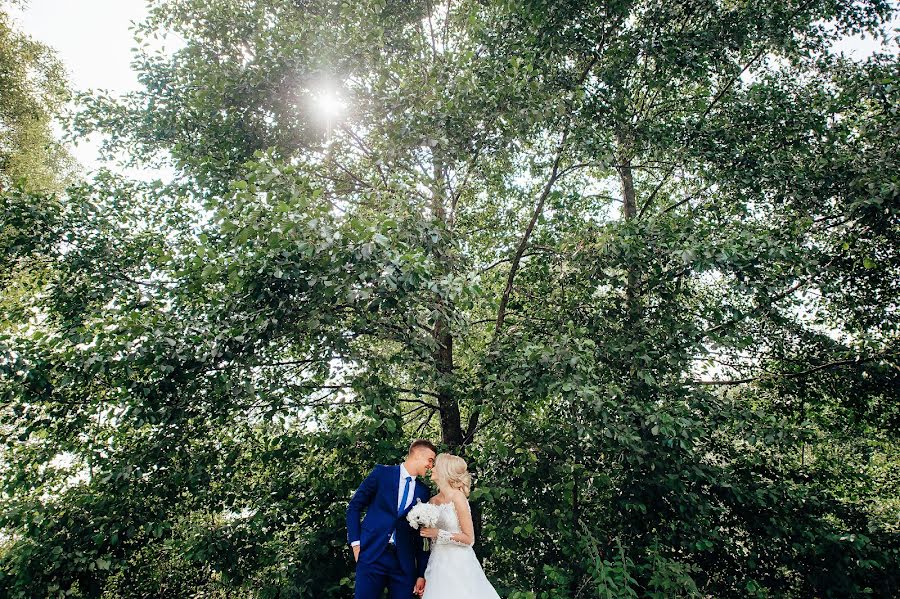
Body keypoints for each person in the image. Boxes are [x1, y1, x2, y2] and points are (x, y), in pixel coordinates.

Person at [347, 439, 437, 599]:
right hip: (372, 555)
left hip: (404, 564)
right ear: (417, 455)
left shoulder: (423, 492)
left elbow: (422, 536)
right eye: (430, 460)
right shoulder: (381, 474)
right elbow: (354, 506)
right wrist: (356, 545)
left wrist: (421, 573)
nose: (431, 466)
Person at [418, 453, 500, 599]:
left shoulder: (458, 497)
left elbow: (469, 539)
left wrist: (438, 533)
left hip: (458, 563)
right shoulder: (431, 501)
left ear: (444, 470)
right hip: (436, 563)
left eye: (436, 465)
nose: (432, 468)